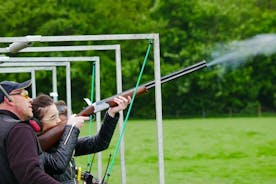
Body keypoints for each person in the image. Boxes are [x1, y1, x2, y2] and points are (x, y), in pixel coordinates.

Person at [32, 94, 131, 184]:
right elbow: (59, 164)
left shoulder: (58, 141)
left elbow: (99, 143)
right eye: (53, 117)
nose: (59, 121)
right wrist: (72, 129)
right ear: (37, 125)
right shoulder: (33, 149)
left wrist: (111, 113)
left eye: (58, 115)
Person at [0, 80, 61, 184]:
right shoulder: (18, 129)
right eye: (24, 94)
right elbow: (31, 176)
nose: (30, 100)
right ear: (8, 99)